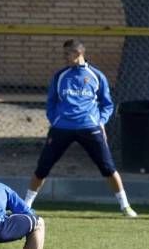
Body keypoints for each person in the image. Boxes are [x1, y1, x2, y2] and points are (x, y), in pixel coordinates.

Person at [24, 39, 137, 218]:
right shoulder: (60, 76)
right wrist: (56, 120)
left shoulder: (97, 76)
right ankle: (25, 206)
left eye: (67, 54)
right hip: (62, 128)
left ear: (78, 53)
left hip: (89, 127)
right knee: (42, 168)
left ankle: (125, 206)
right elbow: (51, 102)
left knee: (108, 168)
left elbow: (107, 104)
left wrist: (100, 121)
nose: (65, 57)